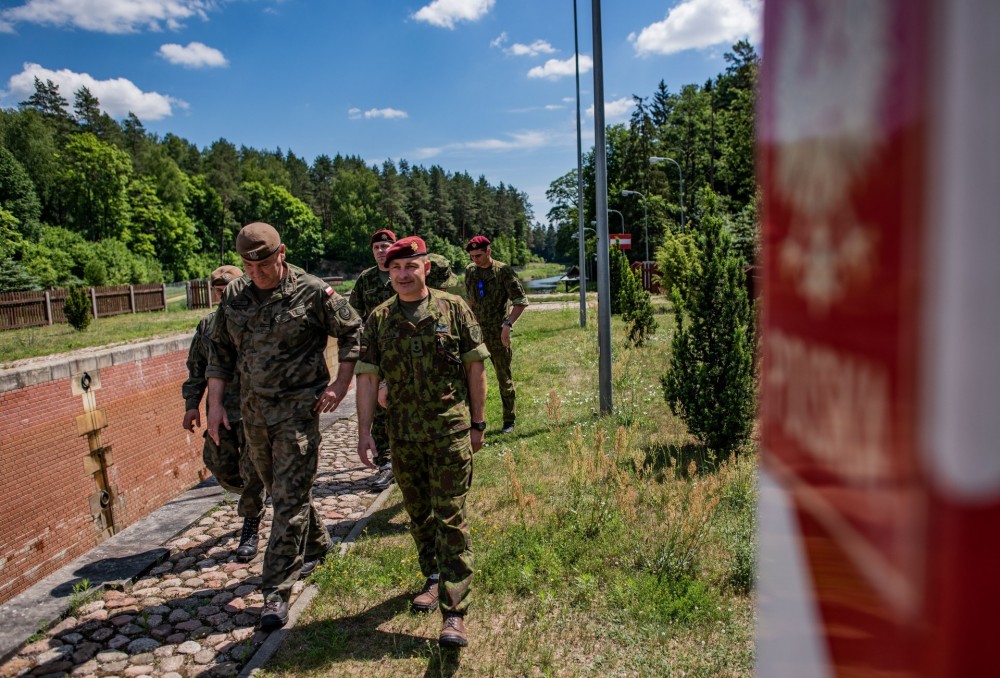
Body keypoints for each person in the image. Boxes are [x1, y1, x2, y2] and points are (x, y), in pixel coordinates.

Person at [205, 222, 362, 632]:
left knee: (288, 503)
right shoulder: (235, 295)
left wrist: (341, 384)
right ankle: (321, 547)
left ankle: (275, 590)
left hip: (298, 413)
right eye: (248, 266)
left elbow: (353, 332)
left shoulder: (312, 291)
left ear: (282, 253)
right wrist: (215, 405)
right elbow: (219, 351)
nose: (256, 273)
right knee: (281, 491)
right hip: (254, 415)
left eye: (263, 265)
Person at [355, 235, 489, 648]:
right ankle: (433, 576)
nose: (403, 274)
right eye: (395, 268)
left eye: (410, 266)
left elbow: (476, 368)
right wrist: (363, 432)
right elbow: (368, 377)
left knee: (451, 517)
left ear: (425, 267)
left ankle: (454, 612)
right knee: (419, 516)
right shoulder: (379, 318)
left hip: (449, 431)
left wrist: (478, 424)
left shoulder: (454, 308)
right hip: (404, 437)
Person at [182, 265, 267, 562]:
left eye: (227, 290)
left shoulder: (254, 320)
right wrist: (191, 404)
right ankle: (258, 489)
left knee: (252, 468)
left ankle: (251, 523)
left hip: (254, 409)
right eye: (218, 291)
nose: (223, 296)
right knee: (218, 463)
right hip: (222, 410)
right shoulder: (207, 325)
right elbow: (197, 367)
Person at [463, 235, 529, 434]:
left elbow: (520, 301)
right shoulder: (470, 271)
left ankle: (509, 420)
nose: (475, 259)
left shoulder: (503, 271)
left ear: (489, 251)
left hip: (498, 333)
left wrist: (508, 324)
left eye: (479, 255)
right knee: (469, 377)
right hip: (476, 333)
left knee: (504, 378)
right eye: (472, 256)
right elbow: (470, 301)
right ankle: (470, 421)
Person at [348, 228, 397, 491]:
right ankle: (385, 463)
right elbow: (353, 317)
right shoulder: (365, 280)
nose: (381, 251)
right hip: (376, 352)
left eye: (385, 246)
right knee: (378, 409)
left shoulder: (402, 272)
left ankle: (409, 458)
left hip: (403, 350)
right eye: (377, 247)